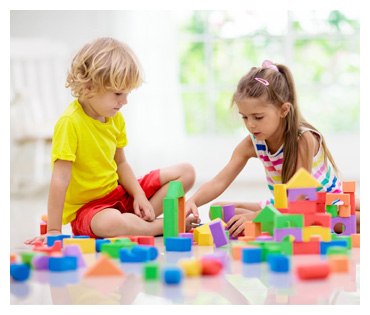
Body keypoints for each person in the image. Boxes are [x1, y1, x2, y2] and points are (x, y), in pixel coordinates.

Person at [25, 37, 197, 245]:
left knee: (186, 172)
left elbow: (121, 163)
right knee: (111, 224)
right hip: (91, 210)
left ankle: (137, 220)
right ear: (88, 86)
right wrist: (53, 229)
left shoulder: (115, 117)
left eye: (127, 93)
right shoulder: (70, 123)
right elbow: (60, 179)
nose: (124, 102)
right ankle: (163, 226)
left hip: (119, 194)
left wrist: (139, 196)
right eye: (117, 93)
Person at [185, 60, 360, 237]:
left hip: (323, 205)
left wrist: (255, 218)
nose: (251, 125)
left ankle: (271, 223)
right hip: (283, 205)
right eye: (244, 117)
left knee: (352, 221)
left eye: (258, 117)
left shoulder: (304, 138)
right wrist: (193, 201)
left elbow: (299, 198)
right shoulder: (252, 143)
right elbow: (219, 181)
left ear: (284, 110)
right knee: (218, 210)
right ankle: (271, 222)